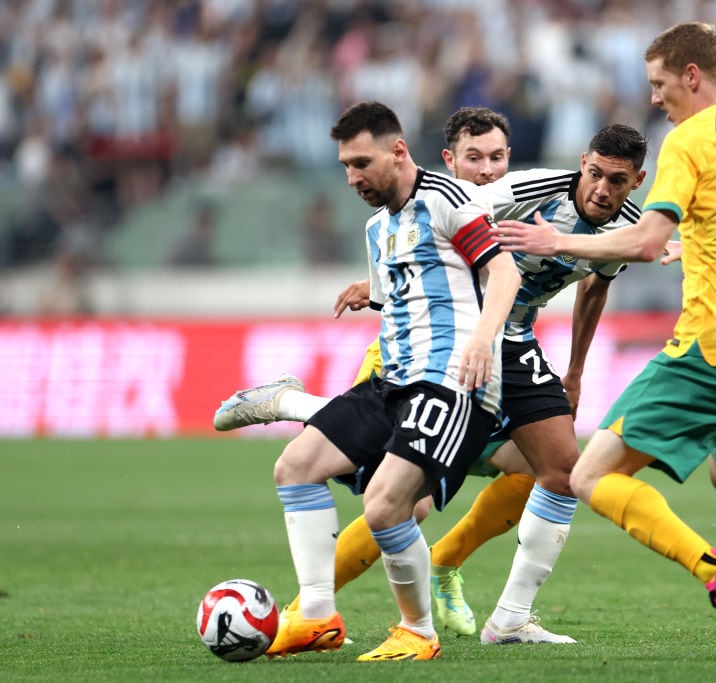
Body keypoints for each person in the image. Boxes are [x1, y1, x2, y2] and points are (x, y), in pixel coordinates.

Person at [215, 113, 648, 646]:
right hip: (438, 342)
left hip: (505, 341)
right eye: (474, 159)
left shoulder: (628, 223)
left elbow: (595, 286)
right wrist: (379, 284)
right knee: (401, 500)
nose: (487, 172)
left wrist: (576, 369)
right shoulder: (506, 192)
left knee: (558, 471)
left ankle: (502, 613)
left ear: (636, 182)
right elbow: (428, 221)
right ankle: (315, 602)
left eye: (497, 158)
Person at [492, 22, 716, 660]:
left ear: (692, 76)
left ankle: (715, 568)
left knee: (589, 474)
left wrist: (557, 240)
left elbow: (645, 242)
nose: (655, 97)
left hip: (707, 344)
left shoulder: (689, 140)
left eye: (659, 82)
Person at [260, 100, 520, 662]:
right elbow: (408, 289)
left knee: (385, 507)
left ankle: (418, 632)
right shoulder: (379, 227)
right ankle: (314, 614)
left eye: (361, 163)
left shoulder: (448, 201)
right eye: (346, 167)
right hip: (393, 381)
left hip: (451, 383)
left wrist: (481, 339)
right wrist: (371, 292)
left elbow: (503, 270)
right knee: (295, 467)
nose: (352, 178)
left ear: (398, 150)